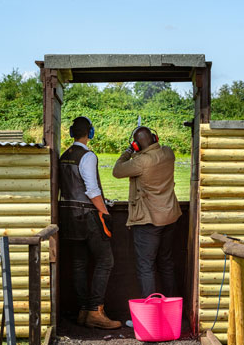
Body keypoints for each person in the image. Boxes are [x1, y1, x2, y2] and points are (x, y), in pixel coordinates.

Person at [58, 116, 121, 329]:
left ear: (71, 133)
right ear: (90, 133)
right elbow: (92, 190)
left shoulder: (64, 155)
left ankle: (84, 311)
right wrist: (105, 213)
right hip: (87, 216)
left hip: (68, 216)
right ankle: (96, 310)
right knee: (106, 261)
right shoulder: (88, 156)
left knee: (79, 264)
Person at [112, 126, 182, 298]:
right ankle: (173, 308)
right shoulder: (168, 153)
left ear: (136, 145)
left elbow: (117, 171)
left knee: (146, 267)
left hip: (148, 221)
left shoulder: (141, 162)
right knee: (166, 263)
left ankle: (150, 314)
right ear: (155, 138)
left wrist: (128, 152)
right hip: (170, 217)